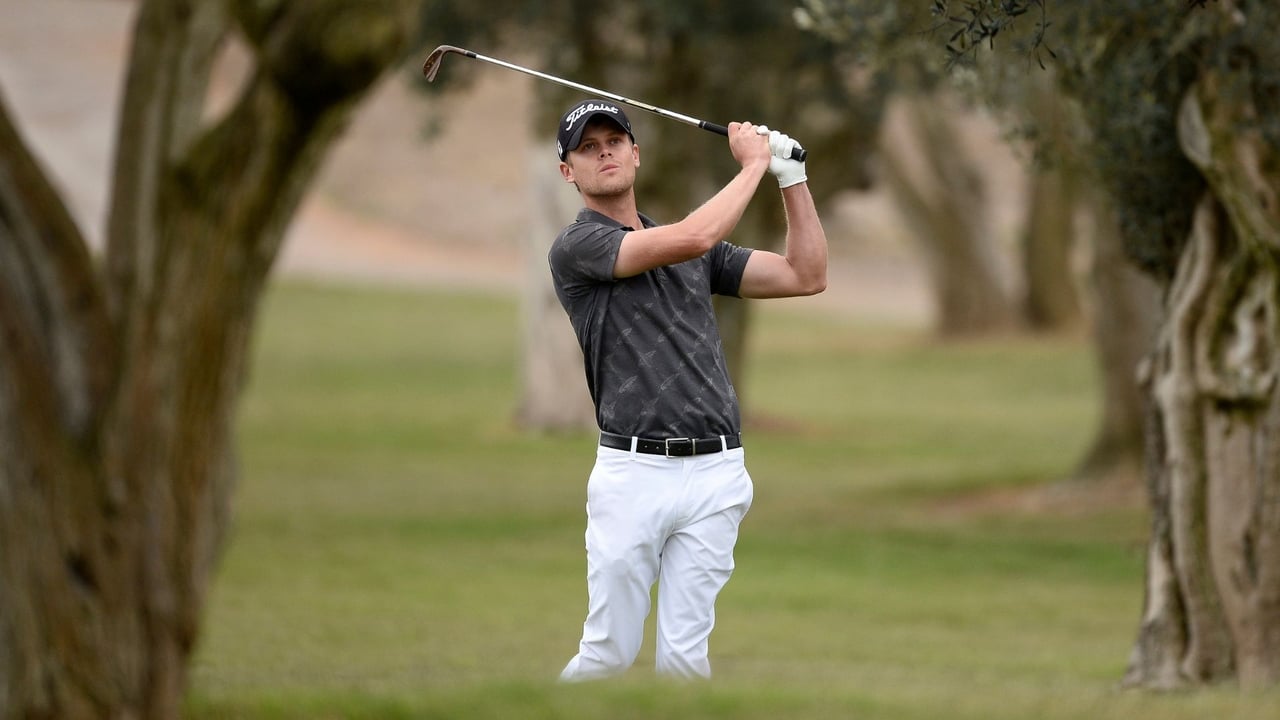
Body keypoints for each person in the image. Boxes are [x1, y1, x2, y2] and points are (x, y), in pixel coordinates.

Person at [548, 98, 827, 681]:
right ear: (568, 172)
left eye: (615, 142)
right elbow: (694, 237)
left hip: (716, 476)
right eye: (588, 148)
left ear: (636, 153)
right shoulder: (579, 248)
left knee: (684, 662)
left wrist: (791, 176)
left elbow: (806, 274)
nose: (605, 153)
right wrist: (751, 165)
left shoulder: (691, 249)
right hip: (633, 475)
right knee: (608, 653)